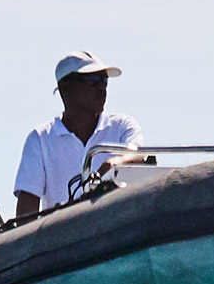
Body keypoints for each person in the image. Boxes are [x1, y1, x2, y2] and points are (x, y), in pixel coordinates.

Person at [13, 52, 143, 222]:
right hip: (66, 243)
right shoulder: (40, 139)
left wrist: (113, 165)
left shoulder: (122, 126)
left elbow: (140, 156)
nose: (101, 88)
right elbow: (26, 213)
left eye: (104, 81)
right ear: (66, 89)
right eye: (92, 81)